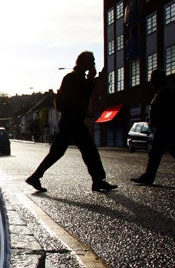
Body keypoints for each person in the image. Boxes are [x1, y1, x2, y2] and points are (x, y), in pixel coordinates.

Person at [26, 51, 118, 193]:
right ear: (83, 62)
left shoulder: (78, 77)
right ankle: (98, 180)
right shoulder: (73, 78)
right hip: (71, 121)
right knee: (88, 150)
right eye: (91, 60)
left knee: (61, 152)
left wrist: (90, 81)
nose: (93, 62)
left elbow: (81, 97)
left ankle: (35, 177)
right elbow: (74, 98)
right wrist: (90, 84)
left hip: (72, 120)